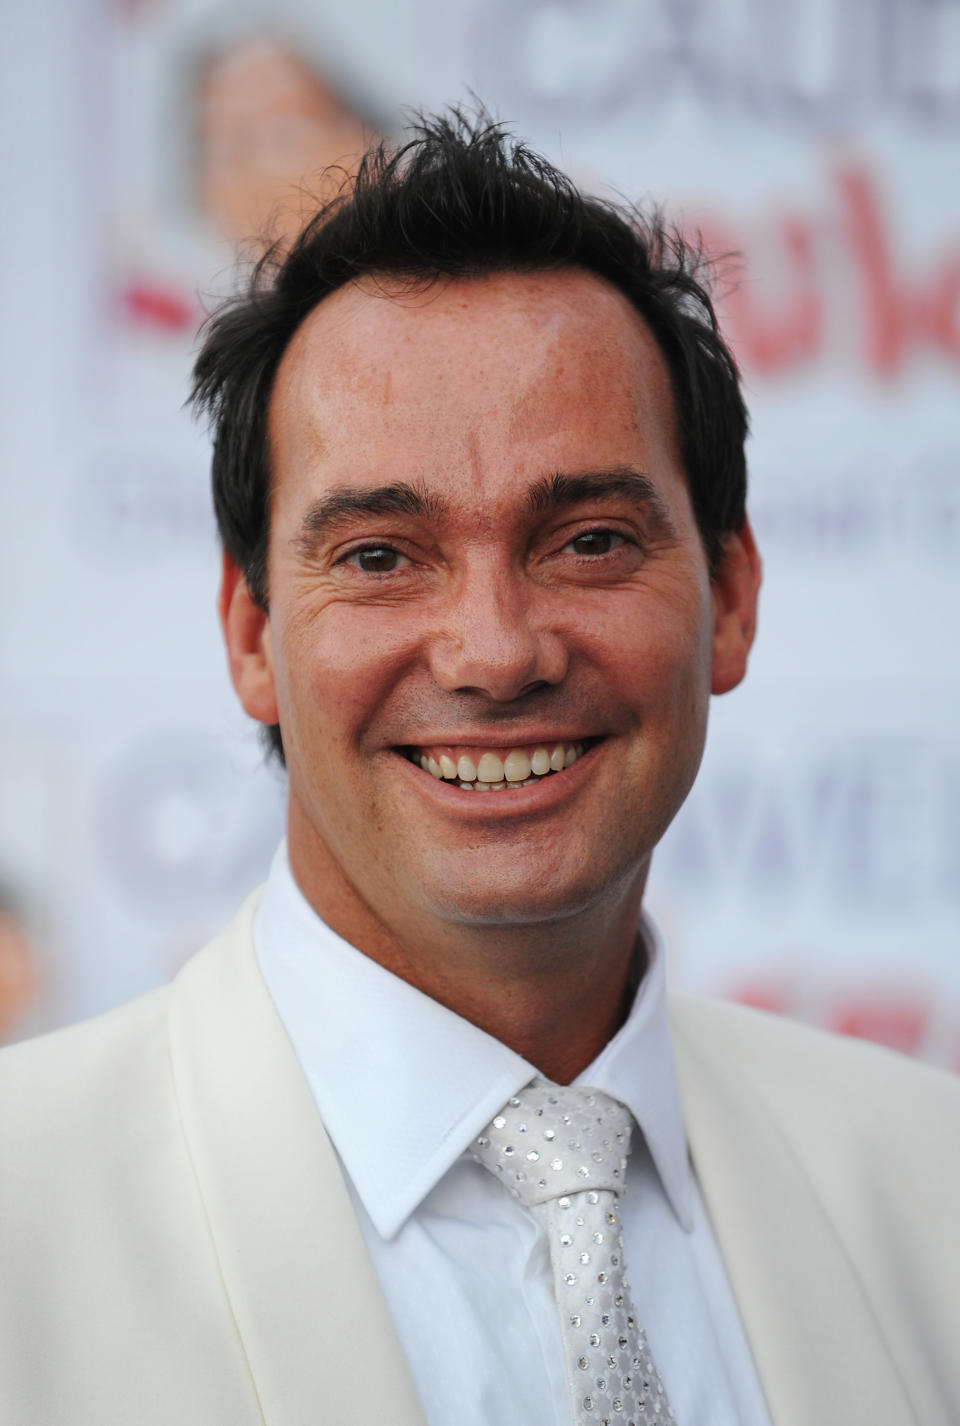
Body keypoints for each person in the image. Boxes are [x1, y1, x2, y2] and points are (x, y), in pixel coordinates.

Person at [1, 110, 957, 1426]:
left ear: (731, 596)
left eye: (590, 541)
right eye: (383, 555)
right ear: (250, 634)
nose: (497, 652)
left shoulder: (932, 1181)